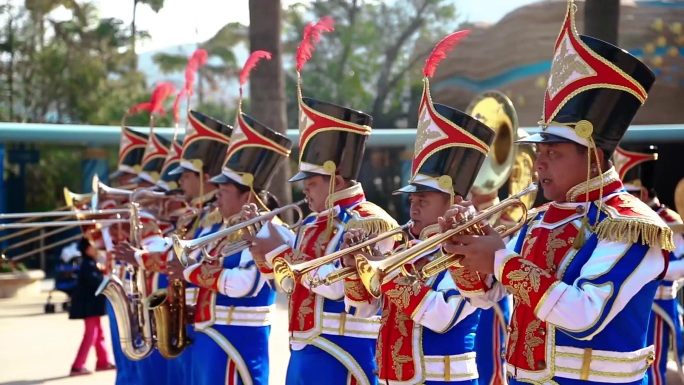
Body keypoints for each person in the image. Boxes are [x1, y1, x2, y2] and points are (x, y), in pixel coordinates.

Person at [440, 1, 670, 384]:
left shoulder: (630, 224)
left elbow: (584, 316)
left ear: (594, 157)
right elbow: (487, 298)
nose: (539, 163)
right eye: (539, 152)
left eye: (553, 153)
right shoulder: (541, 218)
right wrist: (463, 254)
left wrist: (499, 259)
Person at [246, 17, 398, 385]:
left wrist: (279, 254)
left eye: (311, 181)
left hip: (342, 353)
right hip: (306, 350)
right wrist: (265, 259)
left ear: (336, 178)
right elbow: (291, 287)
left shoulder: (370, 221)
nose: (304, 190)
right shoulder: (312, 222)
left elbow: (342, 287)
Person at [341, 30, 497, 385]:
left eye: (425, 197)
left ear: (454, 201)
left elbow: (442, 315)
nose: (414, 203)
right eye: (412, 196)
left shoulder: (469, 247)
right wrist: (355, 270)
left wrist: (389, 273)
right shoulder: (401, 245)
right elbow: (363, 309)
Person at [180, 51, 291, 384]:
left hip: (238, 340)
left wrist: (195, 271)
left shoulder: (273, 229)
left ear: (248, 195)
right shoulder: (220, 226)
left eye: (224, 190)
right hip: (211, 332)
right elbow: (199, 260)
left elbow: (245, 284)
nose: (216, 194)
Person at [613, 144, 684, 385]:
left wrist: (649, 272)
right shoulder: (621, 219)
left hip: (659, 306)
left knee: (652, 368)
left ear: (642, 194)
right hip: (626, 304)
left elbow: (680, 265)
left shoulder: (669, 221)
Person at [68, 237, 115, 376]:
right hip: (89, 307)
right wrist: (104, 273)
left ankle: (103, 361)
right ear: (88, 250)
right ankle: (78, 365)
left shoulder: (89, 263)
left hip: (92, 306)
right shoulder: (87, 264)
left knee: (98, 333)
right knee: (91, 335)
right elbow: (96, 282)